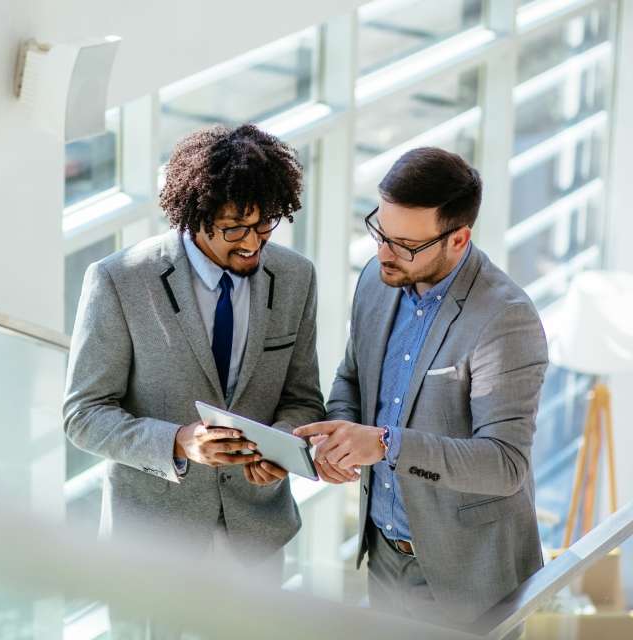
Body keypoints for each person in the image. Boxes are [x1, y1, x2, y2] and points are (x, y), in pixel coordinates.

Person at [295, 147, 548, 625]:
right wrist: (342, 437)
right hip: (384, 557)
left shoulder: (504, 319)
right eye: (380, 232)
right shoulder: (376, 278)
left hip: (467, 574)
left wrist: (385, 445)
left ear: (458, 239)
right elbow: (353, 375)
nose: (384, 253)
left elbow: (505, 464)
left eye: (406, 245)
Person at [64, 124, 324, 569]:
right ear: (194, 216)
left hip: (256, 537)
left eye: (264, 225)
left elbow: (302, 398)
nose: (251, 242)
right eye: (233, 229)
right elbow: (83, 415)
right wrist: (179, 443)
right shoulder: (120, 280)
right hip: (149, 546)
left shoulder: (295, 277)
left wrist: (283, 443)